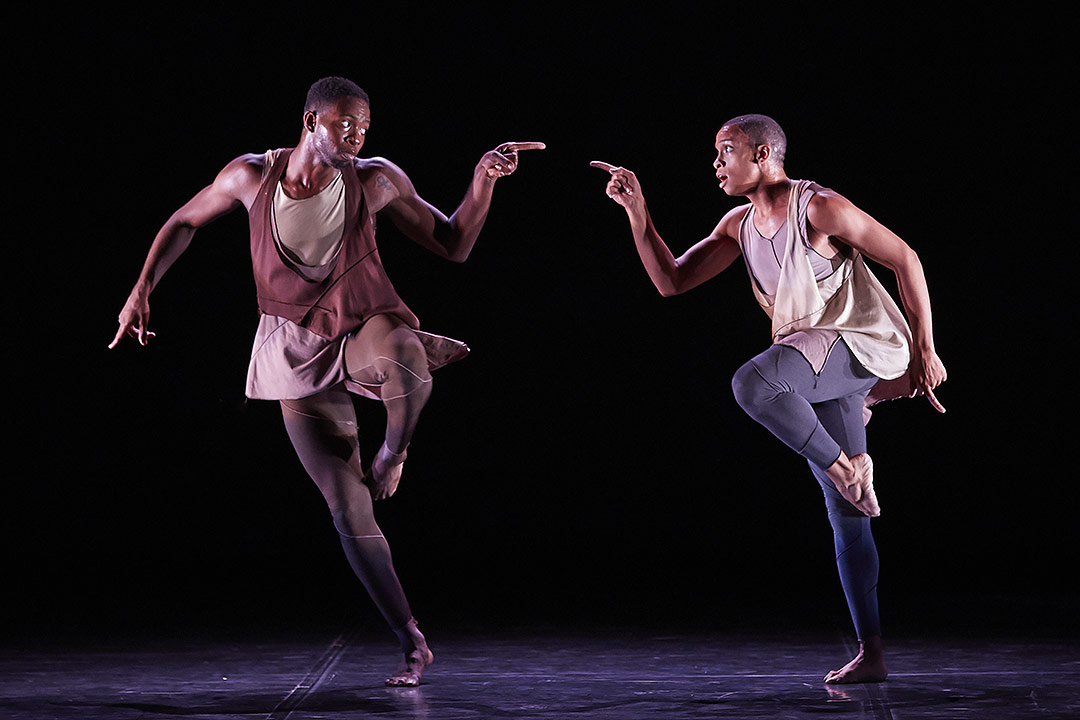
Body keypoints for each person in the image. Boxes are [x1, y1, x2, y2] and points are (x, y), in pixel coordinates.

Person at [110, 76, 544, 686]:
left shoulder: (375, 179)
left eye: (364, 127)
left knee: (406, 365)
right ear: (311, 120)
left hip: (362, 321)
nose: (356, 136)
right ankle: (412, 640)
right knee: (347, 507)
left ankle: (394, 450)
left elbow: (454, 243)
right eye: (345, 124)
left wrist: (481, 180)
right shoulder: (252, 175)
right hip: (292, 344)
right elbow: (185, 221)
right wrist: (141, 291)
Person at [590, 113, 946, 684]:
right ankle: (872, 653)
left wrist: (926, 349)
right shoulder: (739, 224)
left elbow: (907, 258)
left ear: (762, 154)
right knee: (849, 518)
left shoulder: (819, 207)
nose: (716, 162)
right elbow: (670, 281)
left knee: (753, 384)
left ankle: (850, 460)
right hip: (814, 362)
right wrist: (637, 213)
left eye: (725, 150)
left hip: (857, 346)